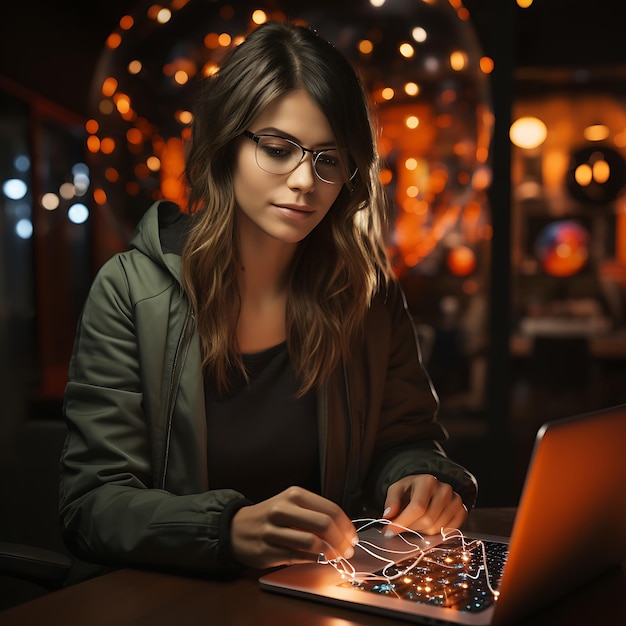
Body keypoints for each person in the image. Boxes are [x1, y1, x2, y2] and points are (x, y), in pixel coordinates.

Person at [59, 20, 478, 580]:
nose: (306, 180)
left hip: (323, 592)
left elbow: (405, 440)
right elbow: (90, 505)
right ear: (225, 146)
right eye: (279, 150)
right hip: (171, 601)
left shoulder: (368, 295)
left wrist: (421, 477)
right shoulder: (131, 291)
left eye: (329, 159)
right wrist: (228, 530)